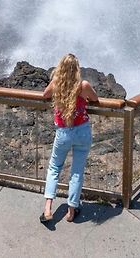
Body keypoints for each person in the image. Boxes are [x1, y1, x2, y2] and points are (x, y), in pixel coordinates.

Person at [40, 54, 99, 224]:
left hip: (63, 133)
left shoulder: (57, 84)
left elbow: (45, 94)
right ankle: (71, 211)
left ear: (60, 68)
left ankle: (48, 208)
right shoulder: (83, 86)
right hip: (82, 132)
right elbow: (94, 98)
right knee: (77, 171)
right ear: (77, 69)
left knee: (54, 168)